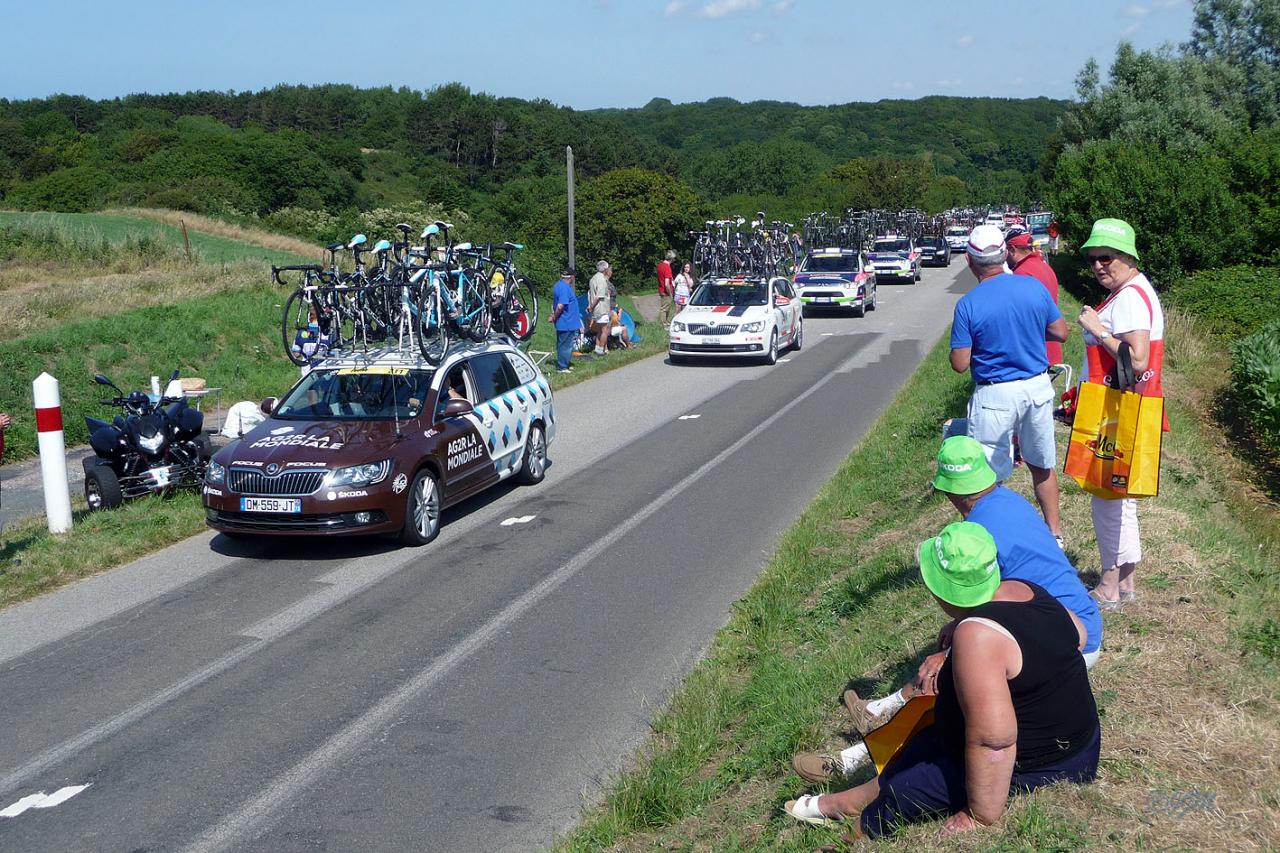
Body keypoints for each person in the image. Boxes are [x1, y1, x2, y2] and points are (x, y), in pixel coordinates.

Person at [792, 436, 1102, 784]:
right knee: (948, 660)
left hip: (1063, 644)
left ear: (950, 491)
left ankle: (855, 760)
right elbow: (1001, 598)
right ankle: (883, 710)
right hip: (1076, 622)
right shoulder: (1008, 501)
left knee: (947, 690)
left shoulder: (976, 531)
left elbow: (992, 612)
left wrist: (953, 654)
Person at [785, 522, 1100, 838]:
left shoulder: (977, 635)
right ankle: (848, 801)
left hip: (1046, 762)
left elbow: (994, 742)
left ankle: (853, 836)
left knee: (906, 790)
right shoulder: (1024, 589)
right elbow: (1078, 635)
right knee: (923, 743)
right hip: (1081, 738)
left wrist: (980, 815)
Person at [950, 224, 1069, 540]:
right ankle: (1054, 533)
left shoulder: (969, 305)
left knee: (988, 474)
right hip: (1036, 387)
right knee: (1042, 464)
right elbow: (1060, 332)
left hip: (995, 394)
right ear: (1004, 254)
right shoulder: (1032, 288)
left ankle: (995, 537)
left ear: (969, 260)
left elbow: (960, 364)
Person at [1075, 218, 1167, 610]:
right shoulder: (1134, 289)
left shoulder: (1129, 297)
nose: (1098, 265)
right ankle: (1127, 583)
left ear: (1128, 257)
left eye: (1107, 258)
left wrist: (1097, 329)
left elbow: (1137, 356)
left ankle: (1109, 587)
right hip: (1130, 409)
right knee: (1122, 500)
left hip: (1120, 413)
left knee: (1108, 500)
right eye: (1093, 258)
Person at [1006, 226, 1063, 366]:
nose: (1004, 257)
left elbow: (1022, 318)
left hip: (1035, 351)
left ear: (1013, 249)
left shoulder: (1022, 273)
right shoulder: (1043, 265)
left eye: (1006, 251)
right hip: (1050, 345)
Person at [549, 268, 583, 374]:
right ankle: (562, 367)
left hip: (568, 322)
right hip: (566, 322)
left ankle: (565, 363)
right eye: (573, 277)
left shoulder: (559, 285)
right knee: (565, 345)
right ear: (571, 277)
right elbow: (560, 306)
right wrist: (554, 316)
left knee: (566, 344)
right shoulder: (564, 288)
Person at [292, 308, 333, 376]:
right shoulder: (328, 332)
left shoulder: (301, 332)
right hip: (325, 368)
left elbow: (296, 354)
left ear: (309, 317)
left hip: (307, 370)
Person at [588, 260, 613, 356]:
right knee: (605, 330)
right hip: (601, 308)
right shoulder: (601, 280)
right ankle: (601, 350)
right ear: (605, 269)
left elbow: (591, 293)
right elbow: (599, 296)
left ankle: (597, 348)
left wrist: (591, 307)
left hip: (596, 309)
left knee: (599, 330)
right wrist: (591, 306)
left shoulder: (593, 278)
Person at [656, 250, 676, 326]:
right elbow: (666, 283)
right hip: (666, 291)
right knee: (664, 308)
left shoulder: (660, 265)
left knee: (666, 307)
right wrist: (670, 293)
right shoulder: (667, 267)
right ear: (671, 258)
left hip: (661, 289)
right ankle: (663, 323)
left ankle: (666, 321)